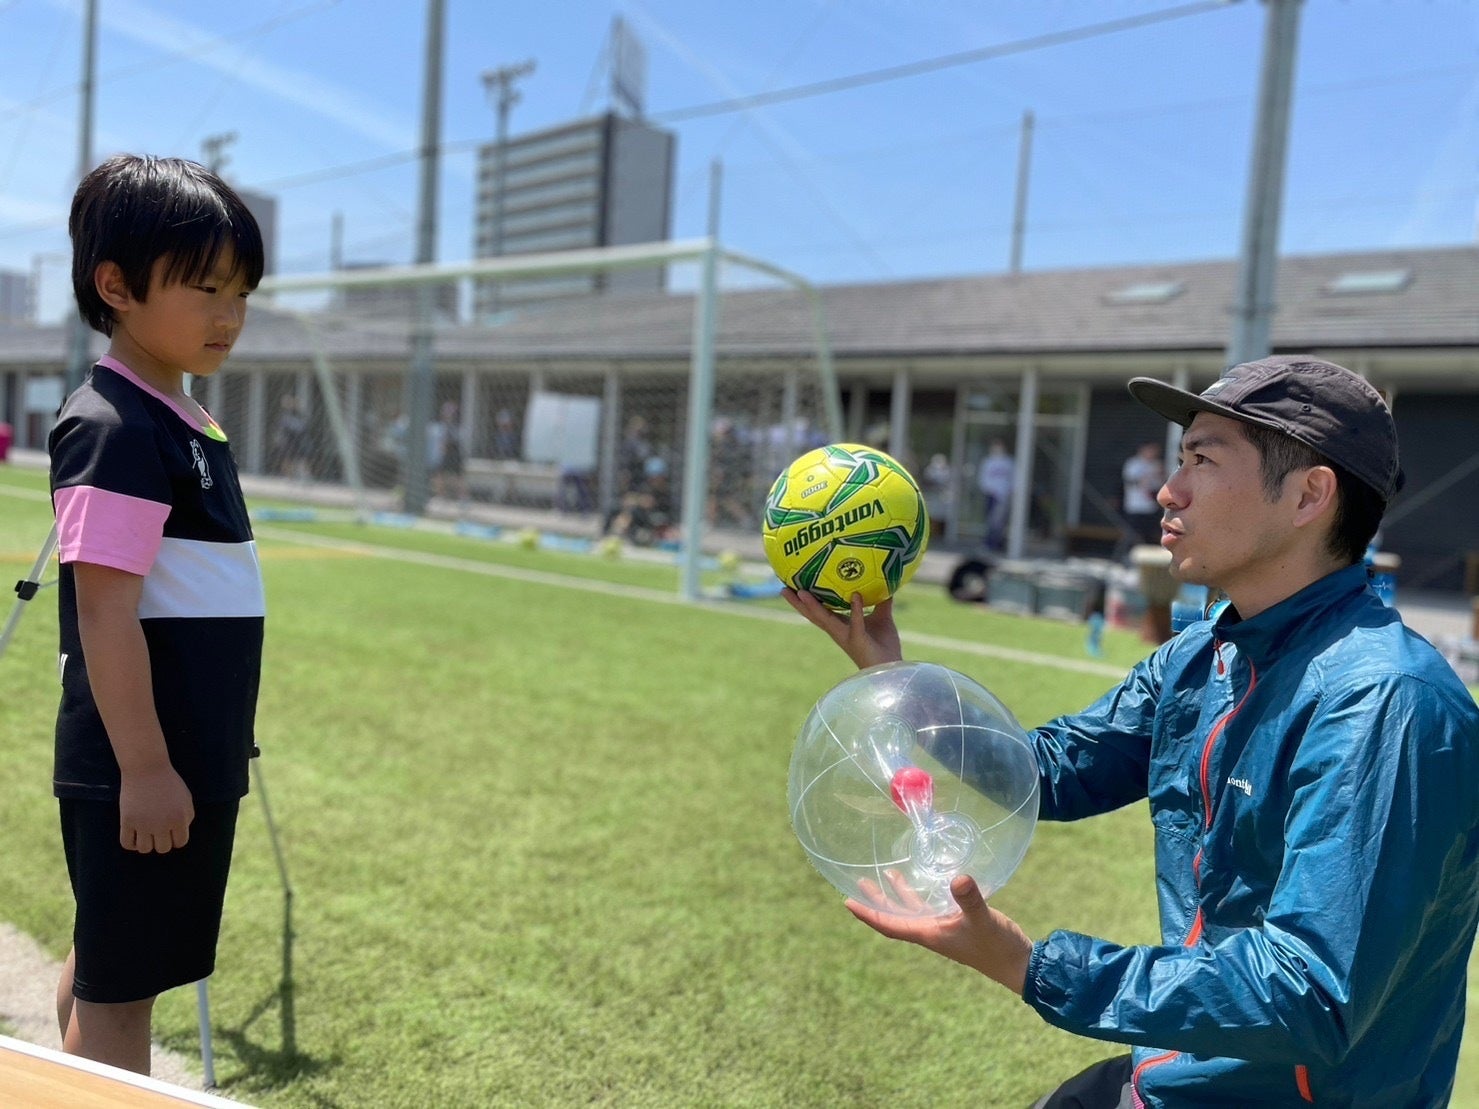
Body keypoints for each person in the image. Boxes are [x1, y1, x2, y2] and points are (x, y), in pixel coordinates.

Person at [784, 355, 1479, 1108]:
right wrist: (894, 676)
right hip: (1176, 1075)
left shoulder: (1385, 703)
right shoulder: (1206, 654)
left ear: (1309, 494)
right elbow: (1048, 772)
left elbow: (1309, 995)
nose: (1167, 490)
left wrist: (1031, 965)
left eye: (1203, 460)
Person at [47, 154, 266, 1076]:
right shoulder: (114, 427)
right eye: (205, 287)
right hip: (144, 769)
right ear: (116, 286)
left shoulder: (183, 416)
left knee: (113, 962)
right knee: (121, 997)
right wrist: (144, 768)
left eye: (242, 292)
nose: (229, 314)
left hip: (190, 758)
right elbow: (105, 614)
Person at [1121, 440, 1165, 547]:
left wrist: (1161, 475)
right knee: (1134, 533)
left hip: (1151, 505)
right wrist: (1142, 480)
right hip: (1135, 505)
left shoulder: (1156, 464)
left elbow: (1161, 484)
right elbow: (1128, 481)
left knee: (1150, 534)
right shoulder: (1133, 463)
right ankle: (1127, 553)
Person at [977, 438, 1014, 551]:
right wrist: (989, 490)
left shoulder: (1009, 462)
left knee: (1000, 521)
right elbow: (983, 479)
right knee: (991, 520)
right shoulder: (988, 462)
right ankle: (990, 542)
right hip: (991, 495)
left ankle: (997, 543)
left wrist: (1011, 491)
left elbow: (1014, 479)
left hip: (1004, 496)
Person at [272, 394, 310, 482]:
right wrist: (278, 439)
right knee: (286, 459)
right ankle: (289, 477)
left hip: (297, 440)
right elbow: (281, 427)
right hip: (287, 440)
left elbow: (302, 427)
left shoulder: (298, 414)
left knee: (301, 458)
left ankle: (305, 476)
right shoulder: (284, 415)